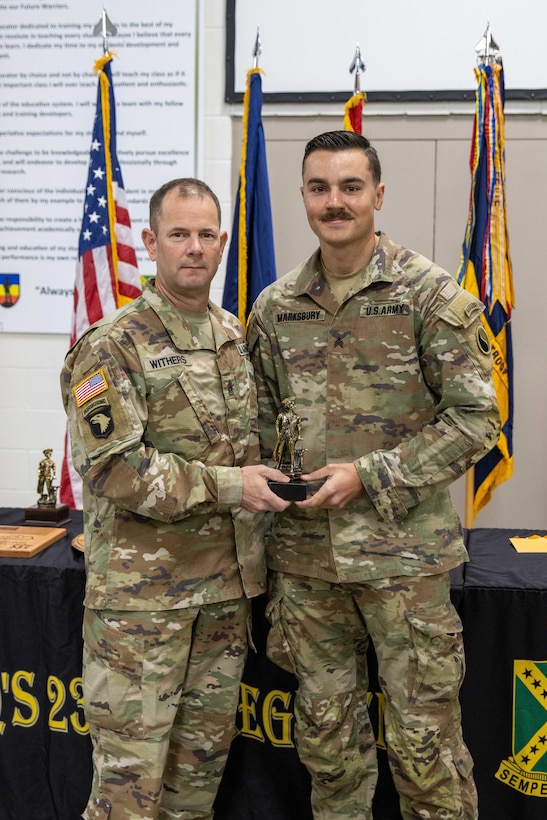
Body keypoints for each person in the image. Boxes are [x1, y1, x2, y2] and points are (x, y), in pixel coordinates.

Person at [247, 131, 501, 819]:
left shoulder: (429, 296)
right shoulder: (274, 309)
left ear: (378, 195)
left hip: (401, 563)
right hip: (305, 567)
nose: (335, 202)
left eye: (350, 187)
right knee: (327, 750)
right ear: (303, 195)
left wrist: (370, 473)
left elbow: (477, 420)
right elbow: (259, 428)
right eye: (320, 188)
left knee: (426, 754)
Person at [60, 178, 290, 820]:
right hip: (143, 612)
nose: (195, 248)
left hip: (222, 602)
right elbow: (116, 470)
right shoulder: (109, 347)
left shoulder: (232, 336)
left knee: (194, 793)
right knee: (126, 798)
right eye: (180, 234)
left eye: (207, 234)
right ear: (151, 243)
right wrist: (231, 486)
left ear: (221, 244)